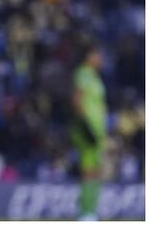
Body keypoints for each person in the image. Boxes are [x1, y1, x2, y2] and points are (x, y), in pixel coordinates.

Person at [72, 42, 108, 221]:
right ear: (89, 56)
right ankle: (84, 212)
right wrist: (85, 126)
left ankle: (91, 211)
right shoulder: (84, 74)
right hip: (87, 130)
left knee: (97, 170)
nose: (100, 59)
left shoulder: (95, 76)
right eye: (97, 55)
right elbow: (77, 100)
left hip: (98, 131)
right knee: (88, 170)